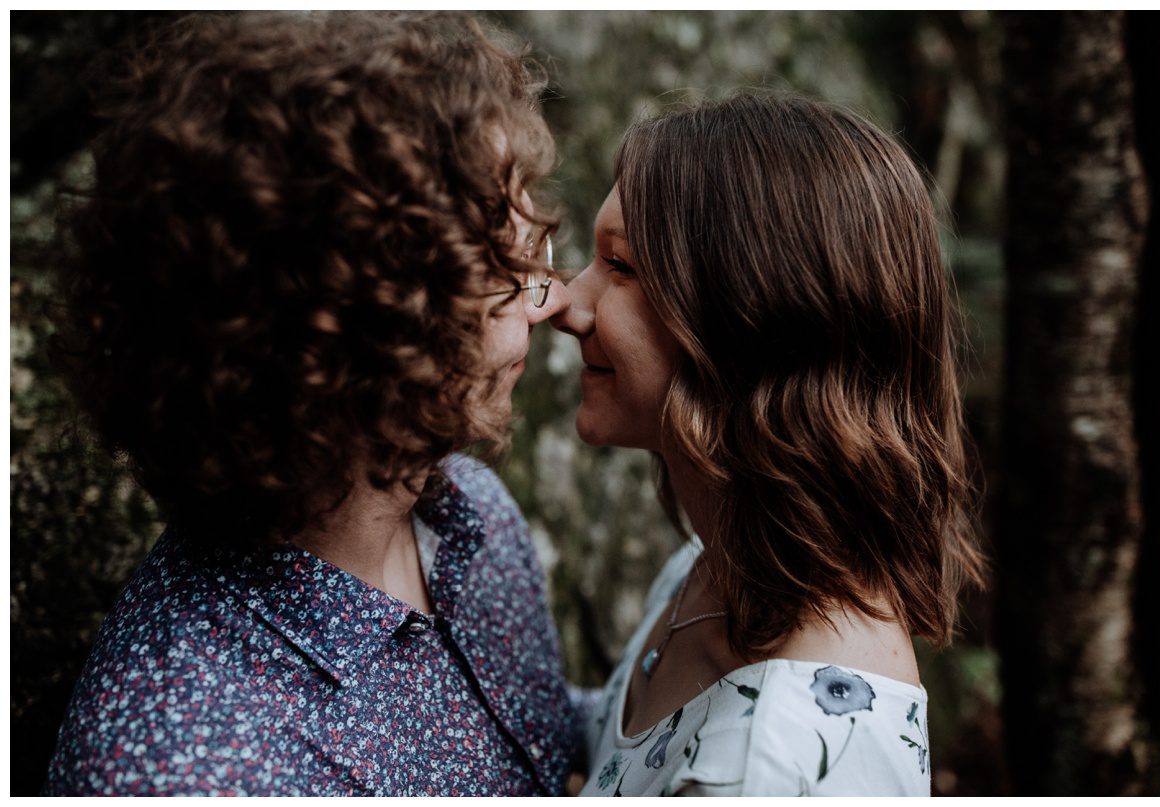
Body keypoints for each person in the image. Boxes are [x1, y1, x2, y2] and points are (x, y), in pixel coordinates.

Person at [44, 11, 578, 796]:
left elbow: (552, 738)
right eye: (500, 268)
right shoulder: (191, 767)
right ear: (351, 351)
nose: (549, 299)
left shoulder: (468, 512)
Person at [553, 93, 986, 796]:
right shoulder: (712, 567)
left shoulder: (774, 763)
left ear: (749, 322)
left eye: (620, 268)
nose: (567, 305)